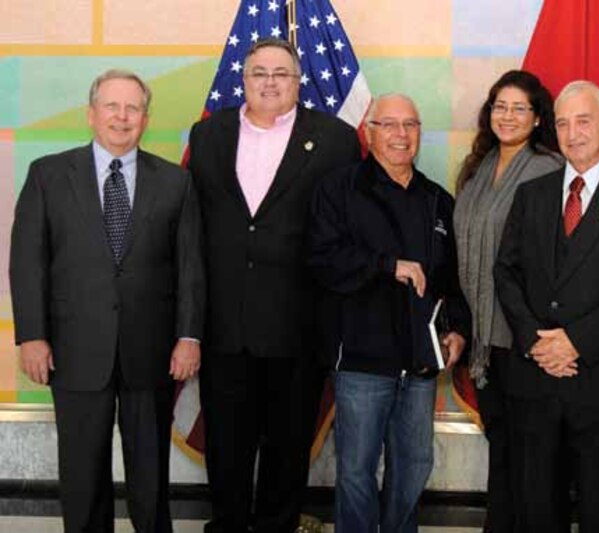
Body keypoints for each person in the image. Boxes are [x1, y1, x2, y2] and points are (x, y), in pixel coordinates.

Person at [9, 69, 205, 533]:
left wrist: (189, 336)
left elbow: (190, 267)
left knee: (150, 474)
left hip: (151, 351)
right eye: (112, 106)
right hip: (75, 350)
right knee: (81, 473)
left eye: (132, 108)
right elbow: (27, 263)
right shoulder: (48, 175)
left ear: (145, 117)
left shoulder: (175, 183)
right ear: (91, 114)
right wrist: (32, 336)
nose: (122, 117)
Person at [187, 38, 361, 533]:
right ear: (242, 79)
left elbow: (346, 230)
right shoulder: (208, 136)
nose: (269, 82)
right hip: (224, 324)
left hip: (298, 326)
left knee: (288, 448)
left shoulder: (335, 139)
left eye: (280, 73)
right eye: (258, 72)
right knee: (226, 444)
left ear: (298, 80)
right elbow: (196, 228)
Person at [494, 80, 599, 533]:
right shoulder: (533, 194)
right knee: (535, 508)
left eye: (584, 121)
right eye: (563, 123)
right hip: (535, 380)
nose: (572, 133)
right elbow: (506, 272)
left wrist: (575, 342)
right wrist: (536, 341)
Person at [308, 93, 471, 533]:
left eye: (411, 125)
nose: (401, 135)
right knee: (357, 471)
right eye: (390, 125)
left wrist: (457, 329)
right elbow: (323, 259)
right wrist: (386, 265)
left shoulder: (438, 200)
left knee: (414, 465)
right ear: (369, 131)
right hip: (361, 360)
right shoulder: (338, 189)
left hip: (420, 363)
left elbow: (451, 279)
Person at [453, 69, 563, 533]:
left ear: (539, 118)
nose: (508, 115)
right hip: (485, 342)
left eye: (520, 108)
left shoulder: (549, 169)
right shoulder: (477, 169)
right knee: (503, 448)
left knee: (536, 460)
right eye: (500, 106)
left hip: (525, 338)